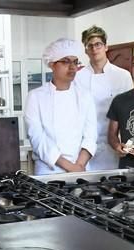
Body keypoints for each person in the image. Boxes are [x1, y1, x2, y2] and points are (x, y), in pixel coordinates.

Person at [25, 38, 96, 175]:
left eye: (75, 62)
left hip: (81, 169)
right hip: (49, 170)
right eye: (66, 61)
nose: (72, 67)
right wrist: (69, 166)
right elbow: (38, 139)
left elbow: (90, 136)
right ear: (52, 64)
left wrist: (79, 165)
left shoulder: (85, 96)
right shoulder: (35, 97)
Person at [75, 25, 134, 171]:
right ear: (85, 50)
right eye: (90, 46)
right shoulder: (77, 77)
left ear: (106, 47)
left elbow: (129, 112)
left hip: (112, 145)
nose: (94, 49)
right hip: (83, 146)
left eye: (98, 44)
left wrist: (128, 143)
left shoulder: (122, 76)